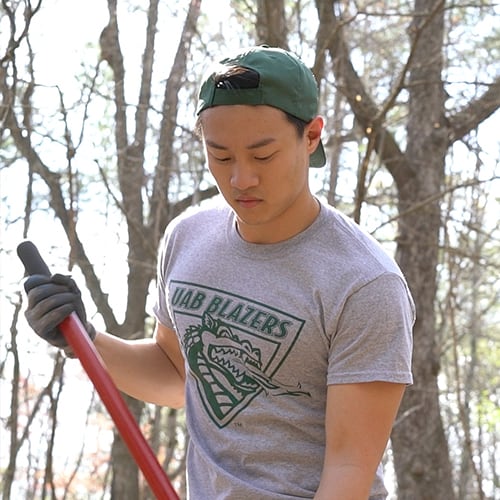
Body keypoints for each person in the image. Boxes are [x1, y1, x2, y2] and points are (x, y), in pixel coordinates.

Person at [23, 45, 414, 500]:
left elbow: (350, 468)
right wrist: (83, 337)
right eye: (221, 156)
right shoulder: (188, 239)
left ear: (311, 136)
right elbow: (178, 375)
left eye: (262, 156)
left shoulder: (364, 283)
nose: (241, 179)